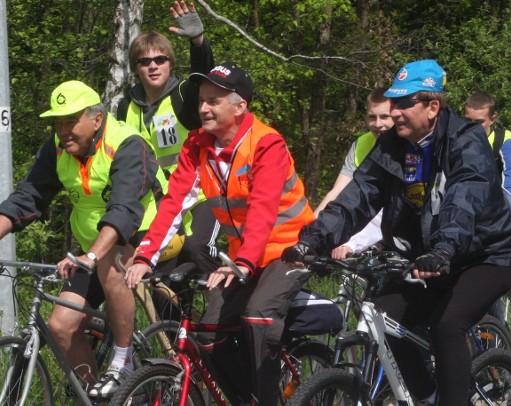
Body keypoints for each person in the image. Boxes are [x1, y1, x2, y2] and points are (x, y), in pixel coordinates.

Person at [282, 59, 511, 404]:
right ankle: (427, 396)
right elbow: (358, 196)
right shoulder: (394, 144)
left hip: (484, 256)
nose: (394, 113)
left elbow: (462, 201)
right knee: (382, 314)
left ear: (432, 106)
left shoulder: (465, 141)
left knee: (446, 325)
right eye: (392, 104)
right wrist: (314, 240)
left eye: (403, 104)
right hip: (430, 257)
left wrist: (444, 249)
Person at [126, 62, 315, 405]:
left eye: (214, 101)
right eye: (201, 100)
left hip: (290, 248)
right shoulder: (198, 145)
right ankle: (247, 398)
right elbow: (173, 205)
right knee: (209, 333)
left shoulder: (266, 143)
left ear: (240, 106)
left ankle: (269, 398)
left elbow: (263, 209)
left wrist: (241, 262)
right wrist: (144, 256)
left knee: (259, 314)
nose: (203, 108)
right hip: (243, 255)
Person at [0, 81, 165, 397]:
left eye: (71, 120)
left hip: (148, 239)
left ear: (96, 119)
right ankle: (97, 397)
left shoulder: (128, 143)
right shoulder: (58, 149)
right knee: (61, 326)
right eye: (57, 122)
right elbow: (27, 196)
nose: (63, 130)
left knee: (111, 261)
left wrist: (93, 256)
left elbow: (124, 209)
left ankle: (122, 362)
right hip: (94, 249)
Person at [118, 1, 220, 278]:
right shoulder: (126, 107)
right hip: (157, 202)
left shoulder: (185, 95)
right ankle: (176, 321)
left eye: (160, 59)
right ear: (135, 67)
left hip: (200, 195)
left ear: (170, 63)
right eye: (144, 61)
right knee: (155, 267)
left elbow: (204, 78)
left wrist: (198, 43)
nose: (153, 66)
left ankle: (225, 310)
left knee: (196, 248)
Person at [315, 87, 392, 259]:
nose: (378, 124)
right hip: (366, 231)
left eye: (385, 117)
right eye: (372, 117)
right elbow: (337, 192)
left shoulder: (408, 144)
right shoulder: (361, 144)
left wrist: (352, 241)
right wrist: (311, 228)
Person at [463, 91, 511, 221]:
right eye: (468, 121)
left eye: (479, 122)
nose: (472, 127)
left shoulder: (505, 142)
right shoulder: (459, 140)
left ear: (493, 119)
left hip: (510, 214)